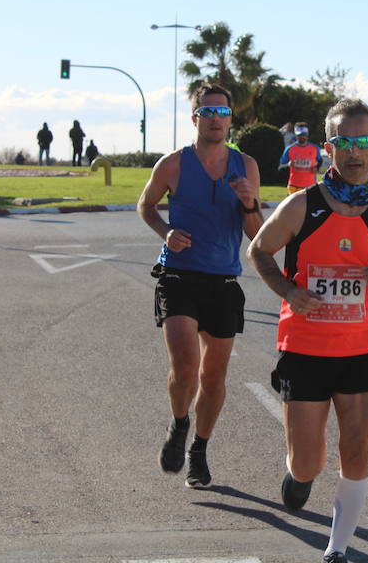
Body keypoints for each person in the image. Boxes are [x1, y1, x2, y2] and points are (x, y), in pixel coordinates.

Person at [247, 98, 368, 563]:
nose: (355, 151)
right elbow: (258, 251)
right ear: (328, 148)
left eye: (364, 141)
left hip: (360, 350)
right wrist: (286, 289)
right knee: (308, 459)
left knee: (357, 449)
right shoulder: (302, 206)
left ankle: (336, 549)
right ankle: (298, 477)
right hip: (304, 348)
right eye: (345, 142)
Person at [136, 83, 263, 489]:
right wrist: (166, 230)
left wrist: (249, 203)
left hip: (223, 280)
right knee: (186, 367)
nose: (215, 119)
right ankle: (178, 423)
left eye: (222, 112)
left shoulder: (247, 167)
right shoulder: (172, 164)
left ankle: (199, 450)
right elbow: (145, 205)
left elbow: (255, 232)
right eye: (207, 112)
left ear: (230, 119)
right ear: (195, 119)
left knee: (213, 377)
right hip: (179, 275)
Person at [279, 122, 323, 195]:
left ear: (307, 135)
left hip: (310, 185)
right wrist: (288, 164)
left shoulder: (315, 148)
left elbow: (320, 160)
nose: (302, 137)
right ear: (296, 135)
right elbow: (281, 165)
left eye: (304, 135)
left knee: (310, 206)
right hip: (293, 185)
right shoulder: (289, 149)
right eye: (299, 135)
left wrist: (317, 168)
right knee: (294, 206)